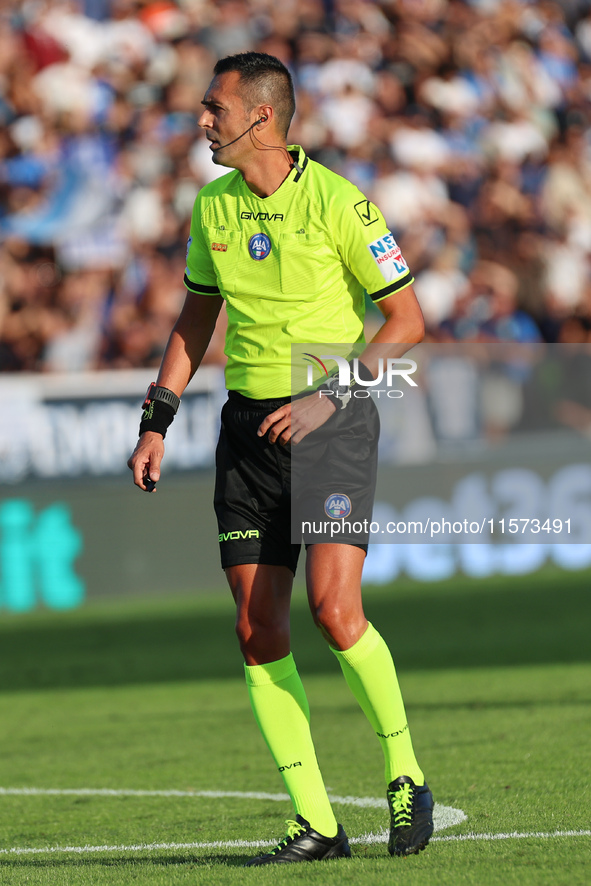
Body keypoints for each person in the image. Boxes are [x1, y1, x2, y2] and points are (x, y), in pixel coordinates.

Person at [128, 52, 433, 866]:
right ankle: (318, 823)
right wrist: (157, 419)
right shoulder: (211, 207)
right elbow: (196, 320)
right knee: (256, 628)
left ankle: (404, 774)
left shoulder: (341, 203)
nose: (201, 122)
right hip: (245, 433)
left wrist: (329, 393)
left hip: (331, 425)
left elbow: (406, 321)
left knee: (335, 613)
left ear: (260, 117)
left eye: (212, 109)